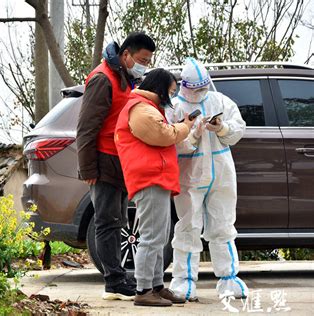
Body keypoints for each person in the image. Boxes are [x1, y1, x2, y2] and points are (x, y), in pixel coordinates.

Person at [76, 32, 155, 301]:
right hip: (103, 160)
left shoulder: (127, 78)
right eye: (142, 59)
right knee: (107, 221)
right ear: (126, 55)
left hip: (121, 161)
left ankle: (117, 276)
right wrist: (88, 170)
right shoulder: (102, 79)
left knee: (118, 220)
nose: (145, 65)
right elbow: (86, 128)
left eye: (149, 61)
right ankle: (113, 281)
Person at [166, 57, 249, 301]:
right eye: (196, 89)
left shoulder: (219, 100)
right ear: (185, 86)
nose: (200, 93)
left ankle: (229, 279)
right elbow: (170, 142)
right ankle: (183, 281)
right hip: (190, 176)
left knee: (223, 225)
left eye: (203, 87)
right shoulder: (174, 108)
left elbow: (238, 129)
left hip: (221, 174)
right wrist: (192, 137)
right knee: (188, 227)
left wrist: (221, 128)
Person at [115, 68, 195, 306]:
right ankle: (143, 290)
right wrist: (186, 127)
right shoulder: (140, 109)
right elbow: (162, 134)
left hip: (157, 178)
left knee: (159, 236)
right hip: (148, 178)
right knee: (151, 237)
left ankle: (157, 286)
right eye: (170, 91)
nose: (171, 96)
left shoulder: (147, 108)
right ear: (159, 88)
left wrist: (180, 127)